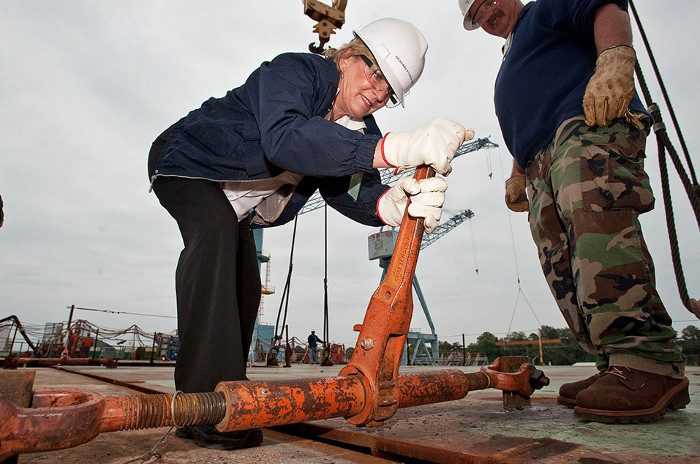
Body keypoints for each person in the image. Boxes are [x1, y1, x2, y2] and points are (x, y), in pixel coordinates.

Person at [149, 17, 471, 450]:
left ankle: (232, 396)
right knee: (214, 234)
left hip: (237, 205)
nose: (376, 92)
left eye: (388, 92)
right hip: (187, 164)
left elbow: (349, 187)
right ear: (347, 56)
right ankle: (203, 408)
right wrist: (393, 148)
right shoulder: (295, 72)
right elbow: (284, 138)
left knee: (244, 283)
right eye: (374, 72)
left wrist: (389, 204)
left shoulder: (359, 129)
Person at [457, 0, 688, 423]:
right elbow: (524, 121)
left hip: (584, 127)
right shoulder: (511, 56)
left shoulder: (545, 10)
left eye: (489, 0)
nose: (487, 12)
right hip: (539, 160)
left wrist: (615, 60)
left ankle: (645, 363)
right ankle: (612, 363)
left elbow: (606, 6)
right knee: (561, 262)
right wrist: (517, 172)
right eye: (476, 13)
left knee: (596, 232)